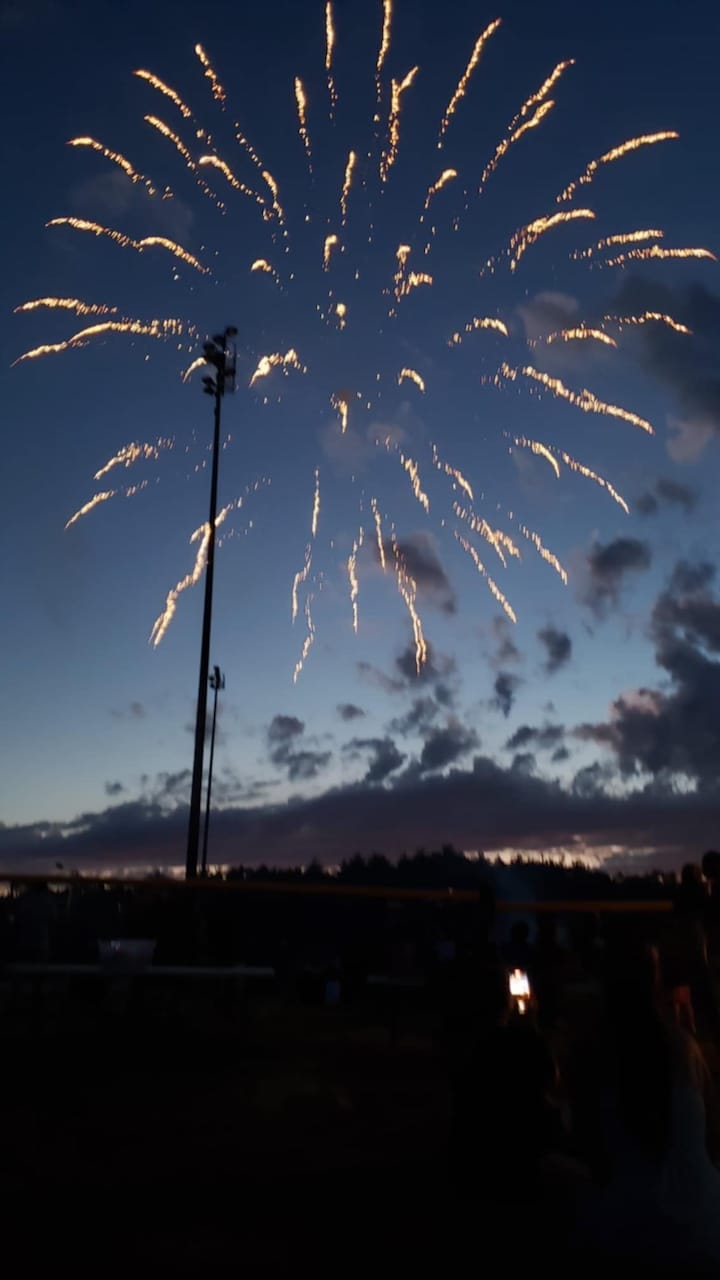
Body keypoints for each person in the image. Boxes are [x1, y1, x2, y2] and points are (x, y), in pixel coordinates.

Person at [569, 941, 720, 1272]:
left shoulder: (593, 1051)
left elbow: (584, 1145)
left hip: (627, 1230)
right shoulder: (682, 1045)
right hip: (705, 1223)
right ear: (654, 981)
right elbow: (712, 1134)